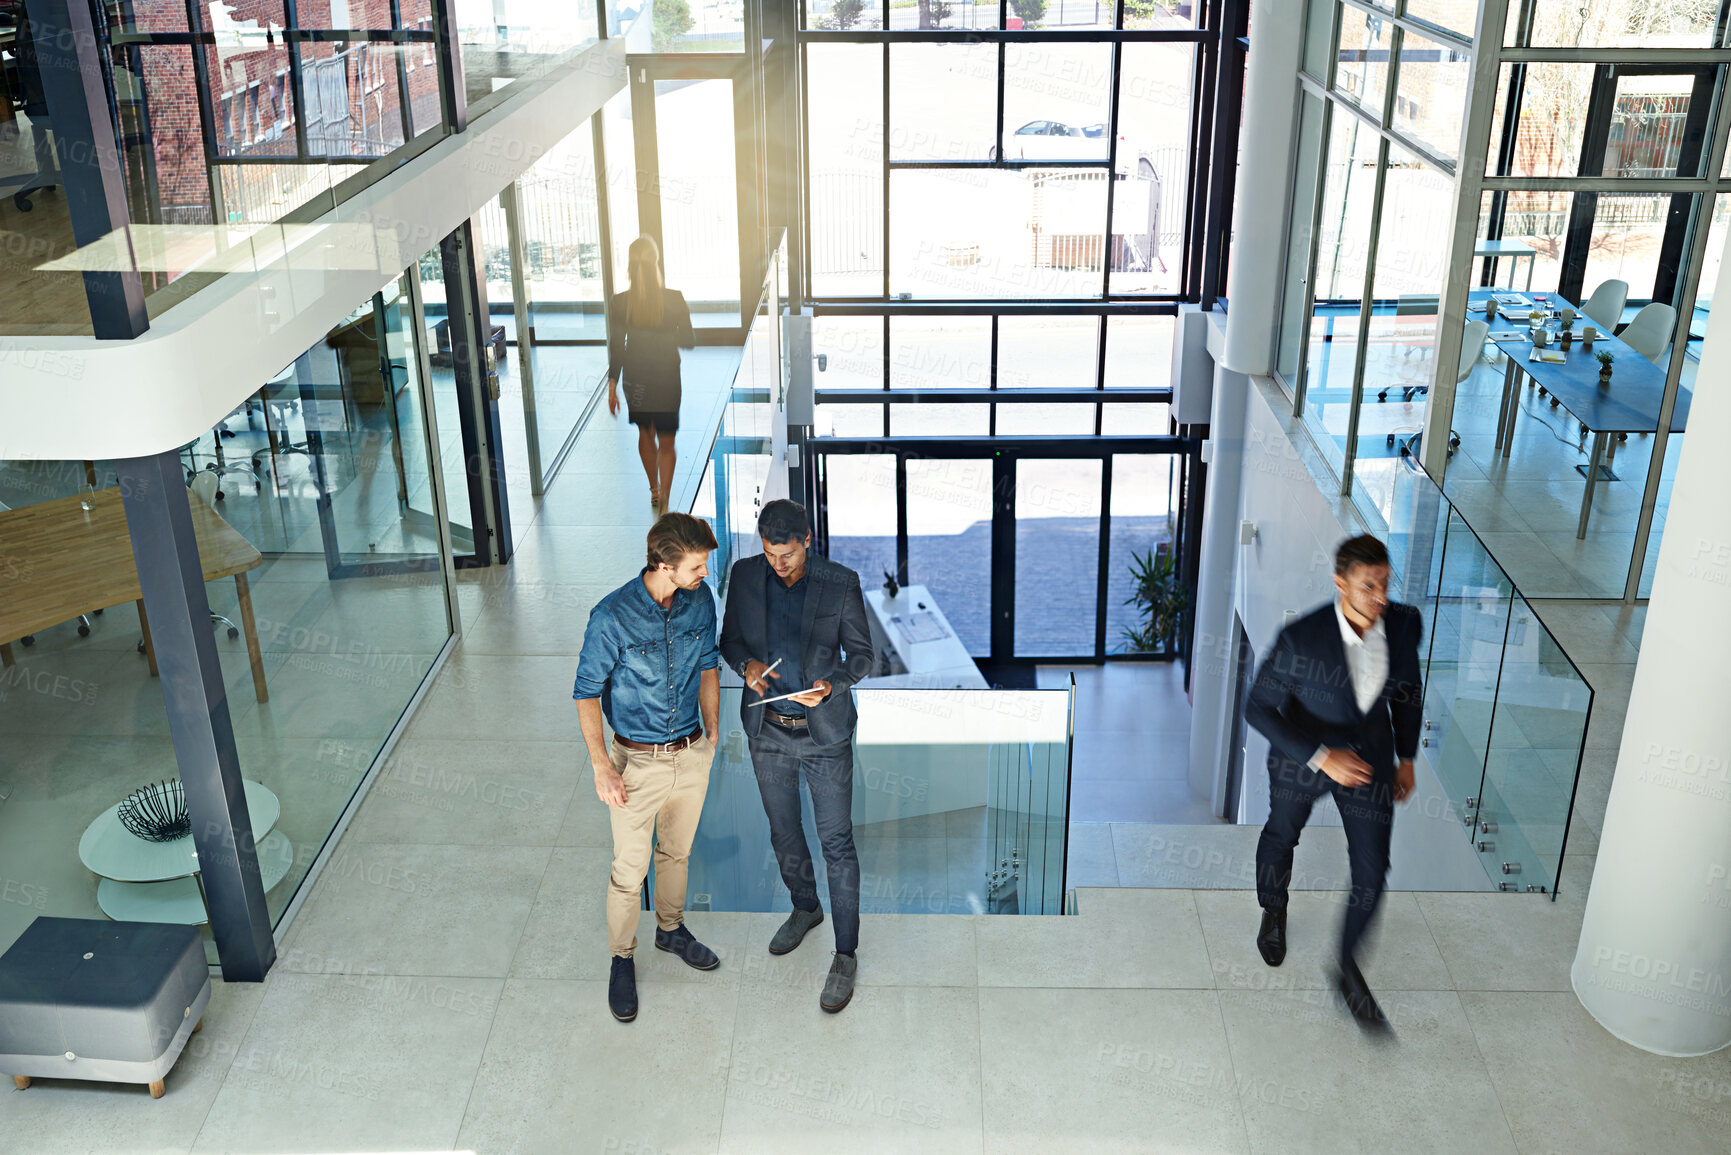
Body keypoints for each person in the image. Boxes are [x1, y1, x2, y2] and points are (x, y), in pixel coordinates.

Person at [1245, 534, 1423, 1026]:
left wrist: (1406, 757)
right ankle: (1273, 910)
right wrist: (1322, 758)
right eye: (1369, 586)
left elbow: (1407, 692)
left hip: (1370, 758)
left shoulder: (1406, 625)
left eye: (1386, 583)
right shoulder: (1301, 639)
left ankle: (1346, 966)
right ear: (1340, 583)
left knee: (1373, 869)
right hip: (1301, 757)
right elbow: (1256, 707)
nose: (1381, 597)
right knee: (1282, 835)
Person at [719, 500, 875, 1013]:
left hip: (823, 736)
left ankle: (846, 954)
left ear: (807, 539)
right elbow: (730, 640)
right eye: (769, 553)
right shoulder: (745, 575)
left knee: (837, 844)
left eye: (786, 554)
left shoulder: (840, 582)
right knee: (783, 831)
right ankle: (804, 908)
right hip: (767, 731)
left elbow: (865, 656)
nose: (778, 563)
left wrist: (831, 686)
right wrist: (747, 667)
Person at [572, 512, 722, 1023]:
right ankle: (622, 959)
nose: (705, 574)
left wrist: (712, 734)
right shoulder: (611, 617)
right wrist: (601, 767)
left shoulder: (700, 601)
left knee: (676, 853)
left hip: (691, 752)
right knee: (629, 871)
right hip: (636, 762)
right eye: (698, 565)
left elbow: (708, 665)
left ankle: (671, 929)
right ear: (664, 563)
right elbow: (586, 694)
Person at [607, 235, 695, 517]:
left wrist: (612, 385)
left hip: (636, 379)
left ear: (630, 266)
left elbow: (617, 347)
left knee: (646, 432)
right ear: (656, 262)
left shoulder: (620, 302)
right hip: (668, 376)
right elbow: (690, 340)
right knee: (667, 440)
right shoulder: (674, 299)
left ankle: (654, 490)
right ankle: (666, 499)